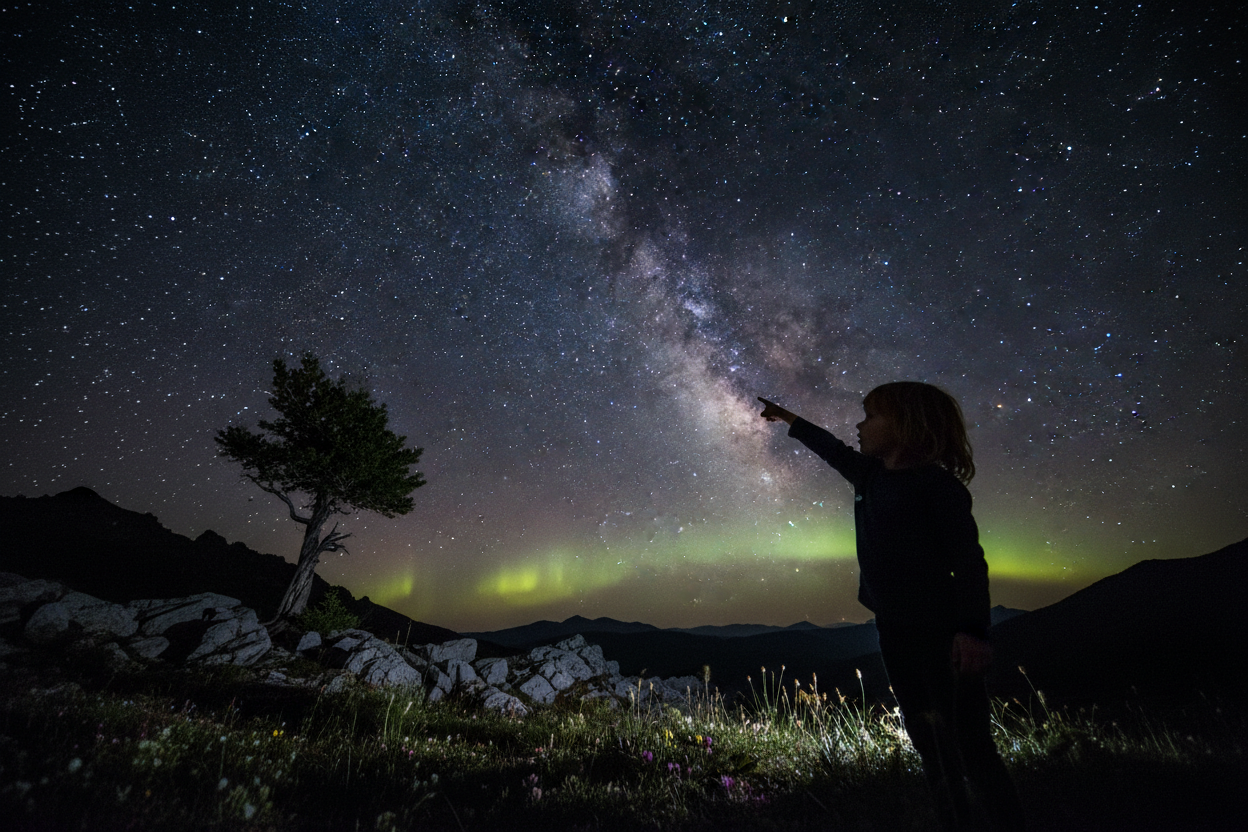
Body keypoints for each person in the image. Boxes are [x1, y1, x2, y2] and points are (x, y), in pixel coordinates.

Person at [759, 383, 1024, 832]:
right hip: (893, 629)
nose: (860, 426)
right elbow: (832, 447)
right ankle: (955, 820)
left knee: (970, 744)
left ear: (906, 424)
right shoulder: (870, 476)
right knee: (926, 737)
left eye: (871, 416)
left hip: (942, 632)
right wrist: (790, 420)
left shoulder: (938, 488)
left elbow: (969, 564)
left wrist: (973, 632)